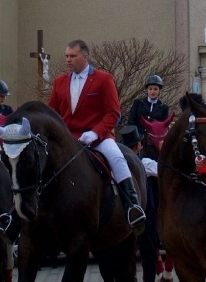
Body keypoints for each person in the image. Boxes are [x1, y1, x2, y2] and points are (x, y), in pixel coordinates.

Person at [48, 38, 145, 233]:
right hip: (68, 139)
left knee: (117, 157)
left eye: (72, 56)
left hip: (98, 138)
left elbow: (113, 113)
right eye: (66, 56)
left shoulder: (103, 79)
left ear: (85, 57)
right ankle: (16, 215)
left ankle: (132, 205)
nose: (68, 60)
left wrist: (95, 132)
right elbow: (52, 113)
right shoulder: (60, 82)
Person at [120, 124, 162, 282]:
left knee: (125, 256)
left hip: (124, 214)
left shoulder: (118, 163)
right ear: (139, 146)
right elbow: (163, 171)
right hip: (147, 212)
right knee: (149, 255)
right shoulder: (145, 163)